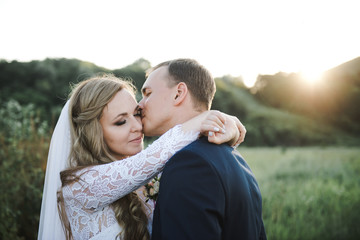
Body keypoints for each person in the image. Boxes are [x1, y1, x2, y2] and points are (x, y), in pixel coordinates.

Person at [37, 74, 244, 240]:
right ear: (93, 133)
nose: (138, 126)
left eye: (136, 114)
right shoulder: (79, 186)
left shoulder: (142, 176)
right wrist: (207, 120)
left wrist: (224, 125)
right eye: (120, 122)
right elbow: (154, 156)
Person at [138, 58, 267, 240]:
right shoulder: (237, 160)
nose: (139, 105)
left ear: (179, 93)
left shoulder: (190, 165)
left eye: (147, 93)